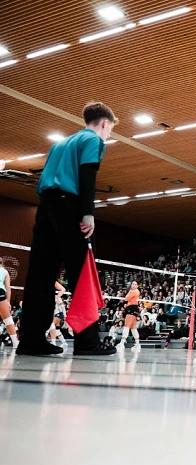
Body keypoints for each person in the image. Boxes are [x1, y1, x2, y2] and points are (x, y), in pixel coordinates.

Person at [16, 102, 118, 356]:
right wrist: (88, 213)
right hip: (69, 207)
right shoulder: (93, 140)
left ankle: (30, 340)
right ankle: (87, 342)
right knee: (81, 273)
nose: (108, 135)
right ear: (104, 123)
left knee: (40, 275)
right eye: (110, 130)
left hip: (45, 206)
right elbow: (87, 175)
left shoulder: (59, 144)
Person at [0, 259, 18, 348]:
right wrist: (8, 302)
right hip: (0, 292)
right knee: (7, 319)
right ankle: (15, 343)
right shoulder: (5, 271)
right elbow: (8, 288)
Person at [117, 281, 141, 350]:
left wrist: (129, 292)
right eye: (133, 284)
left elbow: (126, 298)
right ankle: (137, 344)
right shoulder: (134, 291)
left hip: (132, 308)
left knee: (126, 326)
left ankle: (122, 343)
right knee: (133, 328)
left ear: (137, 286)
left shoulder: (135, 291)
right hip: (133, 308)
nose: (133, 285)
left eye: (135, 284)